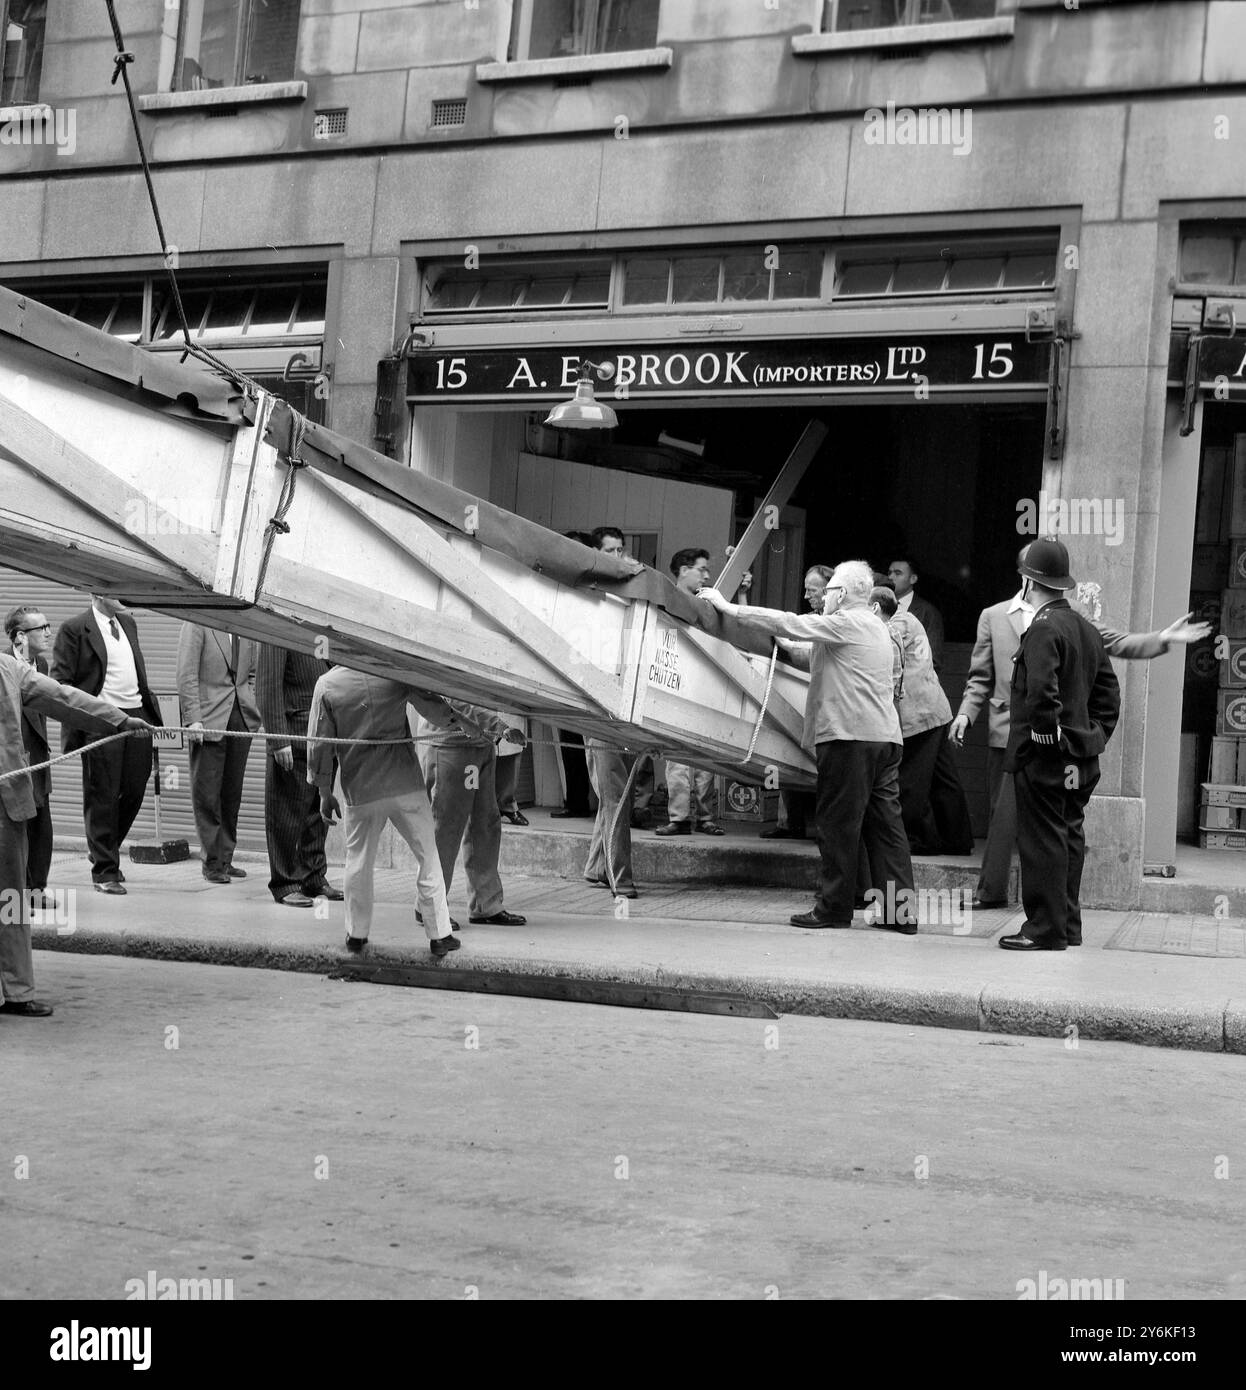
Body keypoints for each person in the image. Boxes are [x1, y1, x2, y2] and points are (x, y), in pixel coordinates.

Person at [951, 548, 1214, 910]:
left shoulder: (1072, 616)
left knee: (1051, 828)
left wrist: (1162, 639)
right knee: (1002, 817)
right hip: (1007, 730)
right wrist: (967, 713)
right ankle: (992, 893)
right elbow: (980, 675)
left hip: (1054, 739)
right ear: (1022, 574)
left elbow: (1116, 642)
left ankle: (1050, 912)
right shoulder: (993, 616)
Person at [700, 561, 916, 933]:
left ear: (843, 595)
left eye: (829, 590)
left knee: (836, 826)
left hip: (850, 739)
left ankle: (833, 909)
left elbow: (789, 621)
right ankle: (900, 914)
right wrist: (781, 645)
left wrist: (729, 608)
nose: (826, 596)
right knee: (886, 828)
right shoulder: (876, 628)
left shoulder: (847, 622)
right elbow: (809, 655)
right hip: (884, 739)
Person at [1, 651, 151, 1016]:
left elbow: (60, 697)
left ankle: (17, 990)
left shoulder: (7, 667)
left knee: (11, 899)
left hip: (5, 801)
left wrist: (117, 720)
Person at [997, 538, 1121, 952]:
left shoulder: (1043, 627)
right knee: (1068, 836)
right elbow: (1109, 696)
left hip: (1045, 757)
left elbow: (1040, 695)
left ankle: (1044, 929)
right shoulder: (1085, 629)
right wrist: (1093, 738)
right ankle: (1067, 925)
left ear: (1028, 582)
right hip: (1081, 756)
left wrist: (1049, 741)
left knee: (1043, 840)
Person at [307, 667, 473, 958]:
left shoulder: (327, 685)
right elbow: (432, 706)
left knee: (358, 862)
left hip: (362, 788)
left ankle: (356, 935)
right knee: (428, 856)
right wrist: (465, 724)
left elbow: (319, 745)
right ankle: (440, 935)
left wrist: (323, 791)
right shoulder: (393, 673)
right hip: (405, 784)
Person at [50, 594, 162, 895]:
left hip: (137, 713)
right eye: (116, 590)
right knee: (102, 795)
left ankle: (103, 848)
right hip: (102, 718)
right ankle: (105, 871)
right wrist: (87, 716)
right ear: (98, 594)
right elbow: (60, 681)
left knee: (136, 788)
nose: (125, 596)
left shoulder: (127, 622)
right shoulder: (74, 628)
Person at [869, 586, 969, 855]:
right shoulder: (908, 617)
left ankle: (922, 840)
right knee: (943, 778)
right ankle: (957, 840)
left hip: (917, 714)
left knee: (913, 780)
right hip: (934, 709)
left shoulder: (897, 623)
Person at [420, 702, 528, 928]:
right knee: (447, 828)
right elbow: (452, 700)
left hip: (482, 742)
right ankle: (429, 904)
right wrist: (498, 725)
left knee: (486, 822)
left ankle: (485, 903)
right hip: (451, 744)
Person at [255, 643, 341, 908]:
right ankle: (285, 882)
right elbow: (267, 685)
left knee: (317, 813)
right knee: (286, 812)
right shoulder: (277, 626)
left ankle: (314, 876)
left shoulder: (323, 625)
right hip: (293, 733)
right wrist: (278, 739)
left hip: (324, 735)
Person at [177, 623, 261, 885]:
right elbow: (187, 672)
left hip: (240, 718)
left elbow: (252, 674)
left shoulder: (246, 629)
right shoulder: (196, 624)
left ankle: (226, 858)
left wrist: (250, 700)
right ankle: (212, 863)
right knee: (207, 794)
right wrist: (192, 719)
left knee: (231, 794)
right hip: (208, 718)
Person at [760, 565, 833, 841]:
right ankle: (789, 822)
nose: (805, 595)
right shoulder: (807, 619)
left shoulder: (839, 621)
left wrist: (788, 643)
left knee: (825, 764)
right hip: (798, 697)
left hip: (827, 703)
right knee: (787, 754)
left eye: (811, 590)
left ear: (829, 590)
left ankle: (824, 828)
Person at [655, 548, 724, 838]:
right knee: (676, 757)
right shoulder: (665, 597)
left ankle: (705, 818)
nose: (707, 575)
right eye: (701, 569)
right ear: (683, 569)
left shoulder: (708, 602)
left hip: (702, 685)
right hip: (675, 683)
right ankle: (680, 818)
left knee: (705, 758)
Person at [4, 607, 54, 907]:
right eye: (42, 627)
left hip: (38, 755)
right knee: (16, 828)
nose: (49, 632)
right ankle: (17, 896)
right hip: (13, 757)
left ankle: (36, 890)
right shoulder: (4, 664)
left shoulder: (42, 664)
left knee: (41, 826)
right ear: (21, 635)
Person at [552, 533, 596, 820]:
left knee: (596, 746)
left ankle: (600, 804)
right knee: (570, 744)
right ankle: (576, 801)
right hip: (566, 674)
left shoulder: (593, 589)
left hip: (591, 676)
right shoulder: (559, 586)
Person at [887, 557, 944, 671]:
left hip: (913, 683)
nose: (890, 577)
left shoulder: (928, 612)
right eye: (889, 573)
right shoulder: (878, 605)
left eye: (898, 573)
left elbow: (934, 661)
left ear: (913, 579)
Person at [496, 715, 529, 826]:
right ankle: (485, 808)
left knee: (511, 758)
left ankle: (508, 807)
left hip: (510, 709)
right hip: (485, 710)